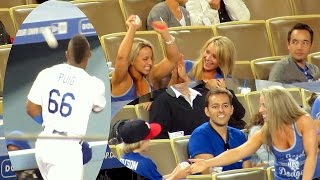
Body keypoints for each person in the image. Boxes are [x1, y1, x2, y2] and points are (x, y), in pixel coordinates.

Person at [189, 86, 320, 179]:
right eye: (260, 105)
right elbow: (238, 152)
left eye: (264, 105)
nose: (260, 110)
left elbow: (311, 155)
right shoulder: (265, 131)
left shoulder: (303, 121)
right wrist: (207, 163)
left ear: (277, 105)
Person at [26, 34, 106, 180]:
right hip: (66, 148)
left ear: (67, 54)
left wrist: (51, 125)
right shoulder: (94, 84)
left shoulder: (47, 73)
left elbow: (31, 108)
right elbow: (98, 107)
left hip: (44, 143)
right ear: (89, 54)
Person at [111, 15, 180, 105]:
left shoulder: (150, 76)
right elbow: (121, 57)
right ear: (132, 60)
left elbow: (173, 59)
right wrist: (132, 28)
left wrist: (165, 34)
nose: (150, 62)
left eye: (151, 58)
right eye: (145, 59)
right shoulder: (122, 79)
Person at [188, 88, 251, 174]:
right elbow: (208, 173)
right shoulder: (200, 135)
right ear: (207, 111)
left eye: (225, 106)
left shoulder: (239, 135)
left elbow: (247, 172)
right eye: (215, 107)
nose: (221, 110)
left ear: (232, 109)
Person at [119, 119, 190, 180]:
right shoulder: (145, 163)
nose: (150, 140)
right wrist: (177, 177)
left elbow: (155, 178)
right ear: (142, 141)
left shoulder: (123, 158)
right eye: (148, 138)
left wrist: (173, 174)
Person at [186, 0, 250, 26]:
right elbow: (195, 26)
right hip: (212, 45)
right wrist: (212, 9)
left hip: (234, 41)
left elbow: (245, 19)